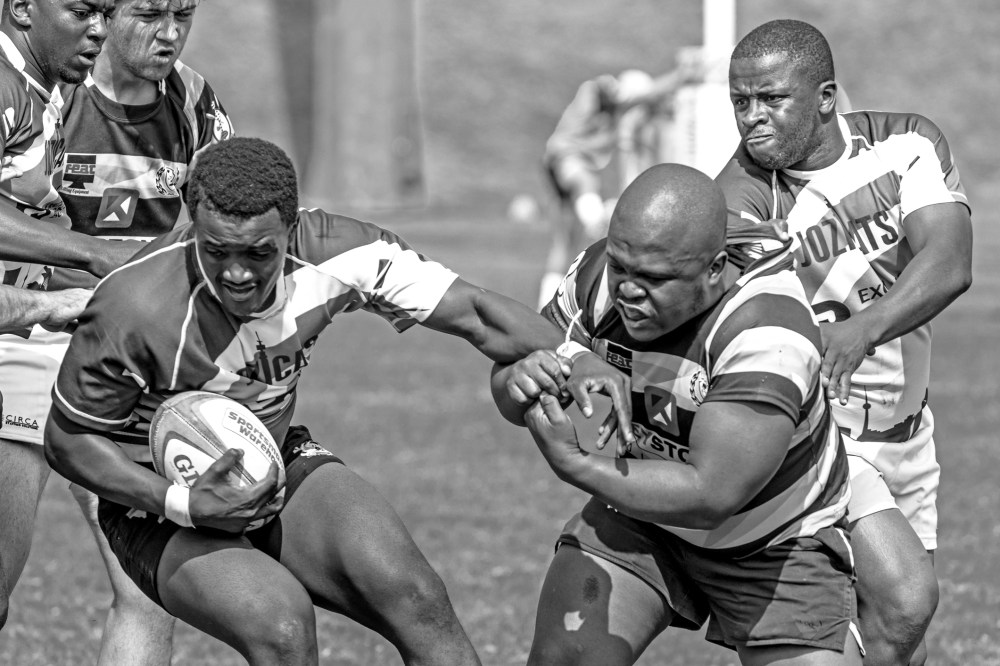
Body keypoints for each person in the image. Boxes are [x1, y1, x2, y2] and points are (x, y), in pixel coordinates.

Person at [43, 137, 630, 665]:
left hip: (272, 457)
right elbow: (67, 441)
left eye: (259, 254)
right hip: (156, 503)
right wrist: (182, 503)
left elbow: (474, 313)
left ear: (291, 230)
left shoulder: (339, 252)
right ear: (193, 226)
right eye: (216, 251)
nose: (238, 274)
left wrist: (577, 358)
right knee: (281, 625)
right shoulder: (136, 305)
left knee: (414, 592)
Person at [492, 163, 862, 665]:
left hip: (772, 540)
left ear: (714, 269)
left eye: (654, 279)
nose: (627, 290)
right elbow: (512, 370)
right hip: (641, 517)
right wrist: (521, 384)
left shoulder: (766, 331)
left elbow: (712, 493)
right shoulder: (599, 273)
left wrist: (575, 463)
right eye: (621, 267)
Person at [716, 19, 972, 666]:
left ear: (826, 97)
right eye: (741, 102)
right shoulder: (740, 201)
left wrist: (864, 328)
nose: (752, 119)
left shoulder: (907, 144)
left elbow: (949, 261)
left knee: (900, 637)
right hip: (821, 440)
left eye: (771, 99)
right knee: (908, 598)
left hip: (909, 435)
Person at [53, 1, 234, 661]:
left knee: (144, 589)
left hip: (128, 367)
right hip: (28, 346)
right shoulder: (52, 94)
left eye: (183, 14)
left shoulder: (193, 101)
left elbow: (222, 222)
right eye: (150, 13)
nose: (170, 33)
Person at [0, 0, 149, 631]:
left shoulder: (47, 87)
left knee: (146, 589)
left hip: (39, 332)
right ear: (24, 10)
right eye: (83, 11)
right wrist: (91, 252)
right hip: (14, 351)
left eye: (106, 12)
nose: (99, 29)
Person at [537, 66, 701, 309]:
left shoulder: (614, 114)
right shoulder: (599, 89)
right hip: (567, 156)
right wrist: (680, 76)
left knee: (564, 240)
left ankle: (545, 305)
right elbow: (629, 93)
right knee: (584, 181)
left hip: (559, 161)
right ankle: (596, 222)